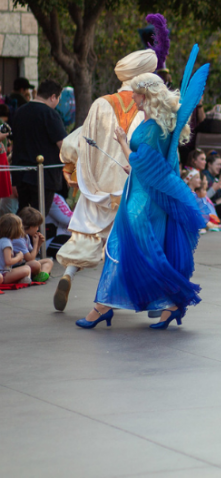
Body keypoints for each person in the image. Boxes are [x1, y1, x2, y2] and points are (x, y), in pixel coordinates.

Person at [76, 51, 210, 330]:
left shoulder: (150, 128)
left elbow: (143, 160)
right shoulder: (162, 124)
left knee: (124, 248)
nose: (133, 98)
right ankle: (168, 305)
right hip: (145, 192)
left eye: (136, 93)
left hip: (142, 200)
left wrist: (124, 143)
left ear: (147, 96)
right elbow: (160, 164)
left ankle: (103, 307)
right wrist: (134, 168)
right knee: (143, 250)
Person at [54, 49, 158, 311]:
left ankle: (68, 275)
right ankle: (153, 300)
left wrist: (71, 161)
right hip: (131, 185)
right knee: (137, 243)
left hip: (96, 186)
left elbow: (78, 139)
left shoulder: (101, 103)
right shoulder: (148, 105)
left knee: (86, 236)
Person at [10, 79, 67, 216]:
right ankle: (35, 238)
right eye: (58, 98)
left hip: (21, 172)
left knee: (23, 214)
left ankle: (20, 238)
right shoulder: (50, 114)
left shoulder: (19, 112)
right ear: (53, 96)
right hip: (43, 176)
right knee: (38, 217)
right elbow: (63, 145)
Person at [12, 207, 53, 281]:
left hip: (24, 264)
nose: (37, 229)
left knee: (49, 261)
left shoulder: (26, 236)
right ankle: (36, 275)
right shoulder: (18, 239)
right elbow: (30, 259)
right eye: (37, 226)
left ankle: (40, 275)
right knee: (35, 264)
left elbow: (32, 255)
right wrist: (36, 244)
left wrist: (39, 244)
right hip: (14, 267)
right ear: (31, 227)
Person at [0, 213, 32, 285]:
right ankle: (23, 280)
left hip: (4, 272)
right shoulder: (6, 242)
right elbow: (8, 261)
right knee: (27, 269)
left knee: (27, 267)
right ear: (14, 230)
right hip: (3, 274)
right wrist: (18, 257)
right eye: (20, 228)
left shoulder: (3, 240)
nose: (22, 230)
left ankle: (23, 279)